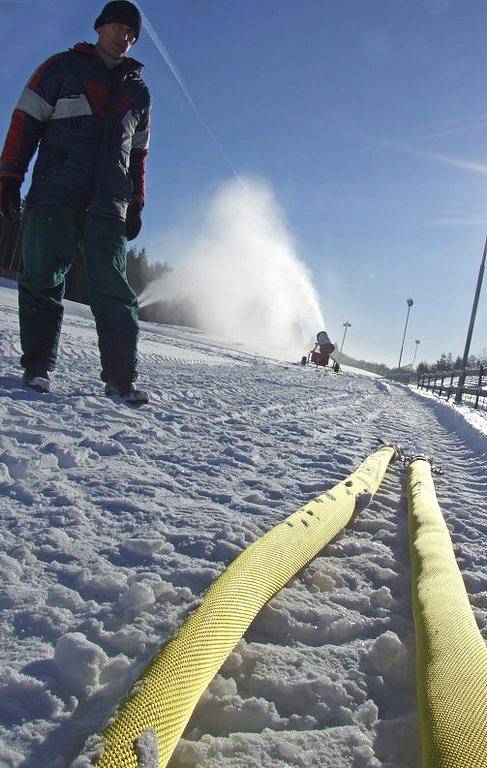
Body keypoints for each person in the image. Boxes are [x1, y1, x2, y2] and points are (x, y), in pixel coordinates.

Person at [0, 1, 151, 404]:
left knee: (114, 291)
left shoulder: (138, 91)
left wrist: (136, 201)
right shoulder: (60, 68)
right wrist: (9, 177)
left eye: (132, 33)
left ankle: (120, 379)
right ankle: (37, 368)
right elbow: (24, 122)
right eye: (118, 27)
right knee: (43, 279)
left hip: (108, 207)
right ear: (100, 27)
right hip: (55, 195)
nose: (125, 37)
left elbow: (138, 155)